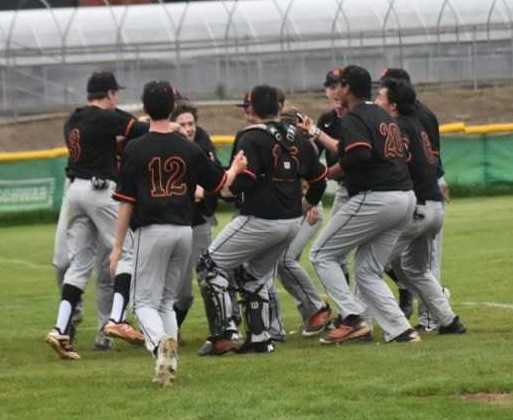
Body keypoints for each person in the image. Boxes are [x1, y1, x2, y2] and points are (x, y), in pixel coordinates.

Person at [109, 80, 247, 385]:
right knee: (166, 300)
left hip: (152, 229)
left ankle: (161, 346)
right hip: (184, 230)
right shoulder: (189, 146)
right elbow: (220, 184)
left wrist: (118, 247)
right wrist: (235, 168)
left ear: (145, 110)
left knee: (142, 303)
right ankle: (170, 363)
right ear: (173, 108)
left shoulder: (135, 148)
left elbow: (126, 203)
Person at [196, 84, 327, 354]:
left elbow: (242, 182)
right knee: (253, 277)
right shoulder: (299, 138)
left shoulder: (250, 137)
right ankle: (260, 338)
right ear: (280, 107)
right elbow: (319, 180)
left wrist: (224, 186)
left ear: (252, 108)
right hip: (291, 222)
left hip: (260, 218)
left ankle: (223, 334)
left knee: (210, 266)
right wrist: (305, 205)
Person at [299, 65, 419, 344]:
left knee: (321, 254)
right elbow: (355, 149)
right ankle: (402, 330)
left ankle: (352, 318)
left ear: (347, 88)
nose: (335, 89)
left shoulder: (354, 117)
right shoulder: (380, 114)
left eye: (339, 84)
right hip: (404, 197)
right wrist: (317, 134)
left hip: (377, 197)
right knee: (367, 271)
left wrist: (325, 174)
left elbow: (359, 156)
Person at [46, 71, 147, 360]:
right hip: (99, 189)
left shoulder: (73, 118)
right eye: (116, 94)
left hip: (75, 191)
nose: (117, 99)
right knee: (127, 252)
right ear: (110, 94)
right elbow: (140, 130)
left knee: (80, 263)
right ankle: (117, 319)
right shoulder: (106, 117)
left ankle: (60, 328)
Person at [375, 78, 466, 335]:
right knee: (417, 270)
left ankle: (388, 326)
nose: (377, 100)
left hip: (417, 209)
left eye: (381, 96)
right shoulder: (415, 122)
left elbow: (395, 167)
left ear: (392, 104)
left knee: (370, 264)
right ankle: (449, 321)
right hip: (433, 207)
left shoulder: (398, 127)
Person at [170, 103, 221, 336]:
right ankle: (171, 329)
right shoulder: (166, 147)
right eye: (182, 124)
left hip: (199, 222)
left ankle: (220, 330)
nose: (188, 128)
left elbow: (216, 178)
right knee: (182, 293)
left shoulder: (203, 144)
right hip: (174, 224)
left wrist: (205, 191)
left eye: (191, 123)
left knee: (207, 277)